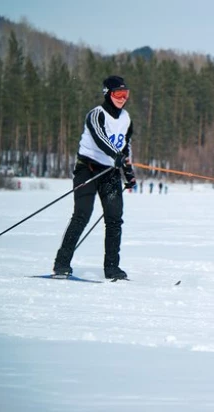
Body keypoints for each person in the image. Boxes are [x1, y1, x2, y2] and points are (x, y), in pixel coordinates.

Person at [52, 75, 136, 280]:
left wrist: (129, 173)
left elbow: (125, 147)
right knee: (82, 215)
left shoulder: (126, 119)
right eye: (118, 93)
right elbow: (100, 139)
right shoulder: (96, 115)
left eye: (125, 94)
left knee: (114, 218)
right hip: (87, 170)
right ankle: (62, 264)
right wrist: (115, 155)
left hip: (110, 173)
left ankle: (112, 268)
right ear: (107, 93)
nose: (122, 98)